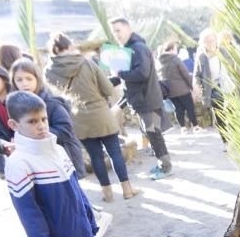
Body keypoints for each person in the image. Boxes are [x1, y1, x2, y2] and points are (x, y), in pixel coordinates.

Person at [3, 91, 98, 237]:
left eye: (44, 119)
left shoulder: (58, 150)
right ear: (14, 124)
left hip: (77, 231)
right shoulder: (19, 163)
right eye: (32, 121)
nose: (41, 126)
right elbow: (29, 213)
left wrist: (89, 220)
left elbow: (76, 190)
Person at [46, 32, 136, 201]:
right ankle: (127, 190)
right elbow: (108, 89)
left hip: (78, 116)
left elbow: (55, 96)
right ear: (69, 46)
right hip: (101, 112)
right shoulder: (86, 63)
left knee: (95, 157)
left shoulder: (48, 71)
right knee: (115, 152)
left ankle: (107, 194)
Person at [110, 18, 173, 180]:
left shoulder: (137, 48)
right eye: (113, 31)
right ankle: (162, 163)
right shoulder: (128, 48)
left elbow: (142, 73)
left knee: (154, 133)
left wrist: (120, 74)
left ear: (128, 28)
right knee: (151, 133)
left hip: (147, 100)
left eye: (118, 30)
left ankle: (166, 167)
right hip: (142, 100)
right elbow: (125, 77)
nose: (116, 34)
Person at [10, 58, 86, 176]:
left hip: (63, 156)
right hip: (39, 160)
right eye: (19, 80)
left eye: (29, 78)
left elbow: (66, 129)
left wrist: (36, 133)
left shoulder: (51, 102)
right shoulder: (17, 104)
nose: (24, 83)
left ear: (38, 79)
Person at [194, 28, 227, 142]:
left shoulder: (223, 51)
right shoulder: (201, 56)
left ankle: (234, 139)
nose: (210, 43)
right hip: (212, 90)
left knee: (229, 114)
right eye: (207, 41)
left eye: (212, 40)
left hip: (226, 87)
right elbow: (197, 75)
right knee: (220, 117)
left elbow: (233, 66)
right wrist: (197, 86)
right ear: (203, 43)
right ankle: (226, 141)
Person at [159, 40, 199, 133]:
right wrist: (192, 86)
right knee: (190, 107)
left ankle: (183, 128)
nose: (176, 51)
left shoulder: (160, 61)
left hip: (170, 91)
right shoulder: (175, 59)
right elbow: (185, 74)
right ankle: (195, 126)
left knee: (178, 109)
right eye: (176, 49)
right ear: (172, 49)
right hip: (182, 90)